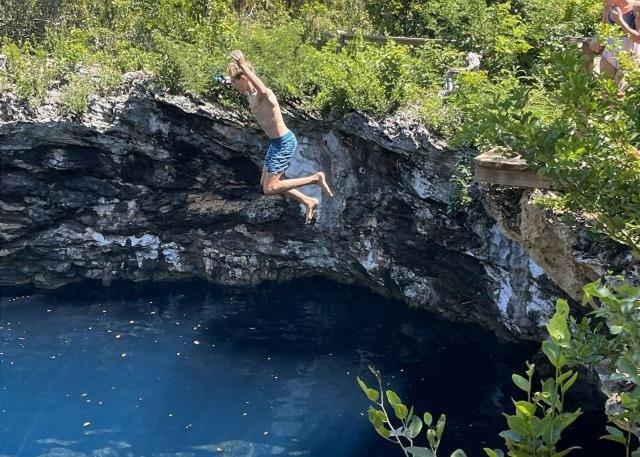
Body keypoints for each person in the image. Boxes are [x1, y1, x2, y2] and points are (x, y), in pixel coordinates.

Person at [227, 50, 334, 223]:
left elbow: (261, 88)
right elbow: (249, 87)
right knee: (265, 183)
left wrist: (243, 66)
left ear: (244, 78)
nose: (233, 84)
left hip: (284, 142)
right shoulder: (250, 96)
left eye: (234, 81)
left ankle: (315, 178)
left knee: (270, 188)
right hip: (275, 143)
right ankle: (308, 201)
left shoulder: (265, 95)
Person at [590, 0, 640, 83]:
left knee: (622, 91)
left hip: (629, 55)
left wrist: (619, 20)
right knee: (606, 90)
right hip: (609, 53)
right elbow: (603, 28)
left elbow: (637, 38)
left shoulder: (636, 6)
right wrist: (596, 38)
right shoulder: (608, 5)